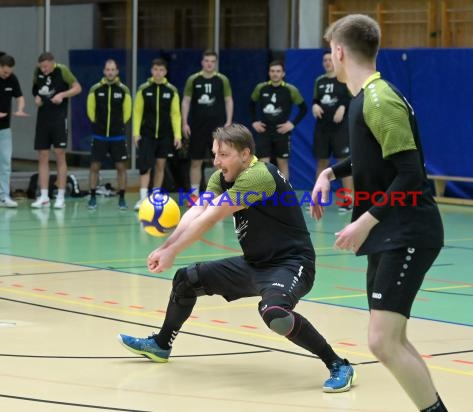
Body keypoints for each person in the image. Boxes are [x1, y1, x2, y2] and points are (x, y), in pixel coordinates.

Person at [118, 123, 356, 393]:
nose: (217, 161)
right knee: (186, 279)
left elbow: (213, 216)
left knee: (275, 314)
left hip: (291, 264)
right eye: (215, 154)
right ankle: (161, 345)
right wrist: (166, 246)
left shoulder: (259, 176)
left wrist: (172, 251)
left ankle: (338, 364)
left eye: (224, 154)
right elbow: (199, 210)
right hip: (254, 264)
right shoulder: (221, 177)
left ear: (245, 154)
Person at [311, 14, 447, 412]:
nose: (329, 58)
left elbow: (409, 174)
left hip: (407, 230)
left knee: (382, 341)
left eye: (329, 50)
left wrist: (363, 221)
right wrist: (330, 173)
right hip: (390, 232)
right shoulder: (363, 99)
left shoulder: (380, 99)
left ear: (338, 51)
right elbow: (371, 157)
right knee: (393, 339)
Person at [31, 52, 82, 209]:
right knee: (43, 155)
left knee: (60, 153)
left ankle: (60, 196)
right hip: (43, 119)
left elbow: (77, 88)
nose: (44, 70)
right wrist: (37, 99)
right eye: (42, 67)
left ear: (53, 63)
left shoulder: (62, 70)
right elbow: (35, 90)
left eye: (46, 66)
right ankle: (44, 196)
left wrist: (62, 95)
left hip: (59, 118)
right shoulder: (37, 71)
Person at [182, 50, 233, 201]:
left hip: (217, 128)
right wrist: (184, 122)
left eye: (212, 61)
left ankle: (216, 195)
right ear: (202, 62)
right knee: (195, 161)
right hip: (197, 127)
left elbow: (228, 100)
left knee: (219, 161)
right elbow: (186, 100)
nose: (209, 63)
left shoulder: (222, 79)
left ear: (215, 63)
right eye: (206, 61)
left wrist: (228, 121)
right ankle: (194, 196)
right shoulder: (194, 79)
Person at [133, 58, 182, 211]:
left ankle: (155, 196)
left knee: (161, 165)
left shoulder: (171, 90)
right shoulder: (144, 89)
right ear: (151, 71)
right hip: (147, 135)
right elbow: (137, 112)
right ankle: (142, 198)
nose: (158, 73)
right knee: (145, 167)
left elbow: (175, 114)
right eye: (155, 70)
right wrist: (136, 133)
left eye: (161, 70)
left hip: (165, 135)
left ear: (165, 72)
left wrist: (177, 135)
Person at [86, 59, 132, 210]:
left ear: (117, 71)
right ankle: (92, 196)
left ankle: (122, 197)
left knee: (121, 167)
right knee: (94, 166)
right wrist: (98, 125)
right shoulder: (95, 89)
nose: (110, 72)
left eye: (113, 70)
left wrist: (117, 126)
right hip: (99, 136)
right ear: (104, 71)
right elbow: (90, 112)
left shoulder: (123, 90)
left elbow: (127, 113)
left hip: (117, 136)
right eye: (108, 69)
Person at [250, 60, 307, 179]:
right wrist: (254, 121)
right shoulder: (261, 88)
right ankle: (265, 195)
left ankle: (284, 195)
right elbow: (251, 104)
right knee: (263, 164)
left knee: (283, 163)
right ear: (269, 73)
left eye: (278, 71)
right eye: (272, 71)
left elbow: (304, 108)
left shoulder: (290, 89)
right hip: (264, 131)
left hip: (282, 132)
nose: (275, 74)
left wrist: (292, 124)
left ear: (283, 74)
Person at [312, 51, 354, 213]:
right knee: (321, 162)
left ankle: (348, 200)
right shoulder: (320, 81)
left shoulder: (344, 78)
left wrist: (343, 107)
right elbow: (316, 99)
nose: (328, 62)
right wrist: (314, 105)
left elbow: (353, 97)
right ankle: (317, 200)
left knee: (343, 162)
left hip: (340, 129)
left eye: (330, 59)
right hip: (322, 128)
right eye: (325, 60)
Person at [0, 53, 29, 208]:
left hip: (4, 130)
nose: (7, 75)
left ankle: (4, 196)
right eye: (4, 72)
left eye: (9, 72)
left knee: (5, 164)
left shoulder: (12, 78)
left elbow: (19, 96)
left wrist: (20, 109)